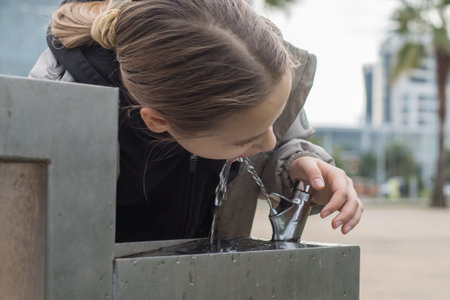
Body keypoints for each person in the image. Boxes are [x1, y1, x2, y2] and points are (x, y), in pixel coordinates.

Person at [29, 0, 363, 242]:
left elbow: (280, 142)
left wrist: (298, 163)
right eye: (244, 140)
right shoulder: (60, 115)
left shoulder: (248, 62)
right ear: (158, 121)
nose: (269, 141)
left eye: (271, 122)